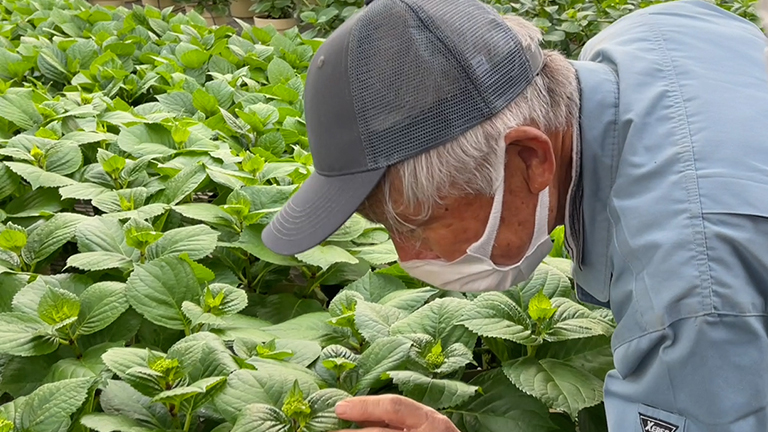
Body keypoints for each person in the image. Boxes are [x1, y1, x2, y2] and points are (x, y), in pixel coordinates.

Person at [261, 0, 768, 429]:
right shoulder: (649, 33)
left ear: (530, 158)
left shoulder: (690, 292)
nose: (407, 255)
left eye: (415, 225)